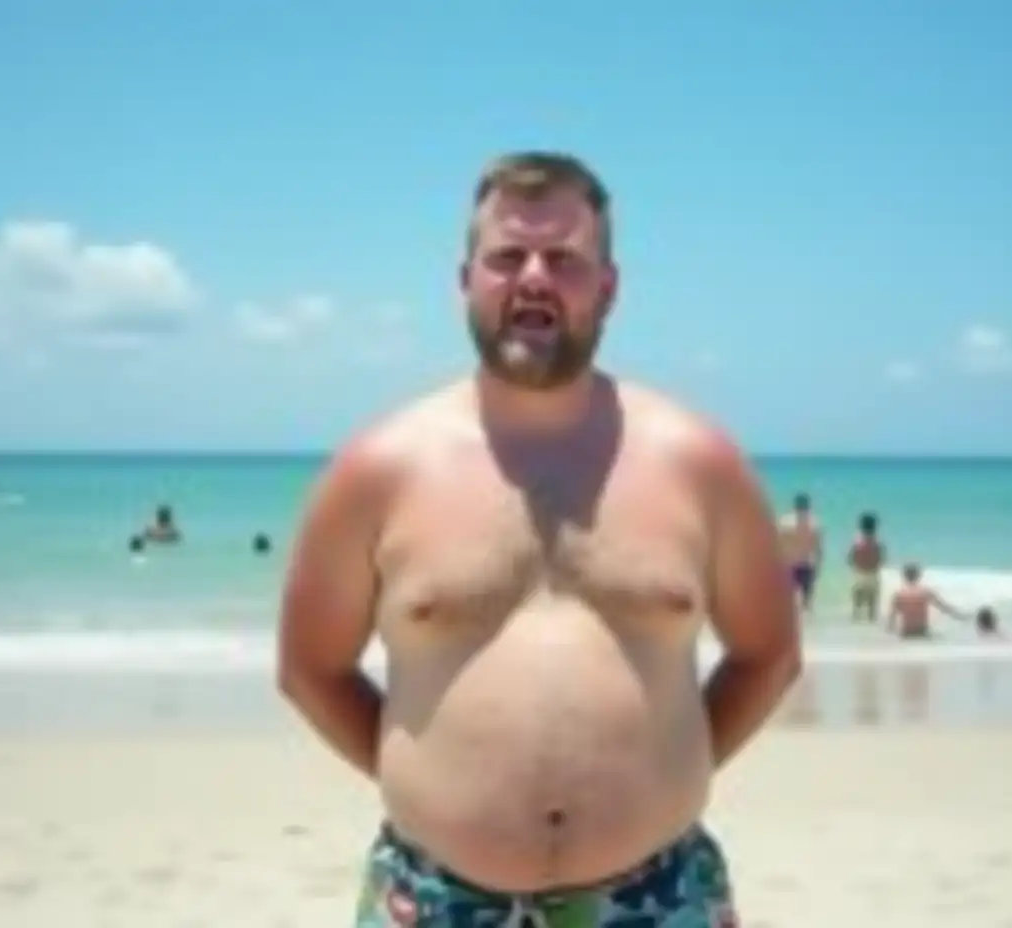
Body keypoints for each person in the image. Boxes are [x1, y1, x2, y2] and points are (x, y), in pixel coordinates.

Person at [277, 151, 801, 927]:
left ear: (609, 287)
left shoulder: (700, 463)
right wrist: (427, 789)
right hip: (433, 899)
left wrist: (666, 777)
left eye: (564, 259)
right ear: (466, 282)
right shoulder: (377, 470)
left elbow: (769, 656)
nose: (533, 277)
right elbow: (311, 668)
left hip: (659, 899)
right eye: (505, 258)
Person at [886, 562, 968, 639]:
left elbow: (891, 620)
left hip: (906, 633)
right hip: (922, 632)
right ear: (918, 576)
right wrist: (961, 617)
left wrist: (889, 633)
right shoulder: (925, 593)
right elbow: (944, 608)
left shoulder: (899, 596)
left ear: (904, 576)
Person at [778, 492, 823, 613]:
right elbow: (818, 548)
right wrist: (818, 564)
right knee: (806, 602)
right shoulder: (815, 524)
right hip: (807, 564)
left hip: (789, 564)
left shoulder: (785, 522)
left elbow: (778, 545)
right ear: (809, 506)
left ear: (794, 506)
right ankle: (807, 626)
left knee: (788, 601)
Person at [846, 512, 885, 622]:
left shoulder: (857, 541)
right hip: (872, 573)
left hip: (859, 573)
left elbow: (850, 557)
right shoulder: (877, 542)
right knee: (872, 597)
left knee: (857, 596)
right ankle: (871, 618)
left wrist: (854, 566)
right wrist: (876, 566)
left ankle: (856, 616)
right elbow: (881, 558)